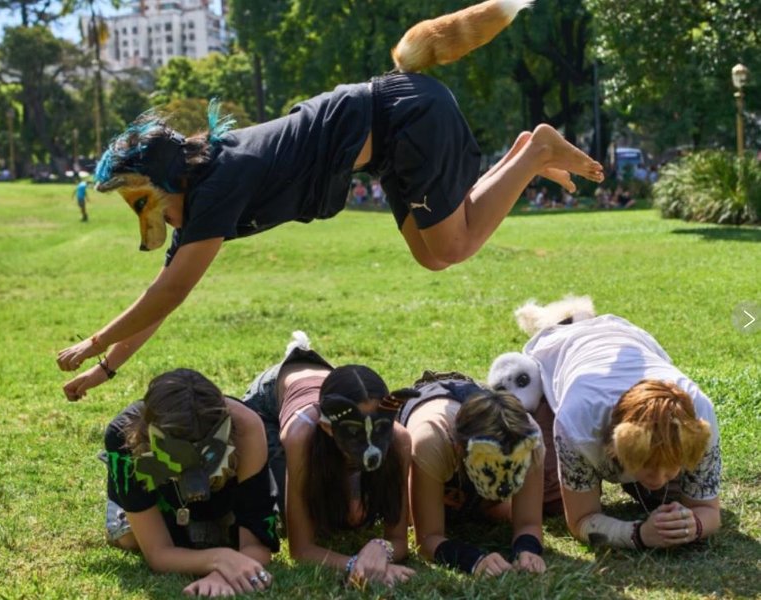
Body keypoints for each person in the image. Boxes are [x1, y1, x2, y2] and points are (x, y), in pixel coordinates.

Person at [55, 0, 603, 397]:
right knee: (435, 254)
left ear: (164, 182)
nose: (145, 216)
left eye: (140, 201)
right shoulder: (202, 196)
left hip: (406, 116)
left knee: (452, 247)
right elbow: (162, 296)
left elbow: (170, 292)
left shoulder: (217, 184)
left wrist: (95, 341)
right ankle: (526, 153)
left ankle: (533, 155)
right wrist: (103, 369)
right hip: (387, 138)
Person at [522, 314, 721, 550]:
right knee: (549, 496)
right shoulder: (577, 421)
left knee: (668, 498)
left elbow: (709, 510)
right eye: (647, 464)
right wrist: (638, 535)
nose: (657, 478)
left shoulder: (699, 421)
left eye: (669, 468)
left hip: (628, 338)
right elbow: (580, 520)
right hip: (560, 351)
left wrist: (692, 525)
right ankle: (569, 319)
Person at [241, 332, 416, 587]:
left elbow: (398, 538)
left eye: (378, 430)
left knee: (351, 513)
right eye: (355, 434)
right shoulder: (300, 435)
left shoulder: (399, 440)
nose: (371, 449)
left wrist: (381, 548)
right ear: (328, 428)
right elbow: (300, 550)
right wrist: (356, 565)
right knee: (285, 506)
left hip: (327, 382)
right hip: (271, 398)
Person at [103, 368, 279, 597]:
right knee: (128, 537)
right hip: (160, 504)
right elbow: (158, 553)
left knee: (221, 537)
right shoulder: (122, 434)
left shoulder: (246, 426)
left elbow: (257, 543)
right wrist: (221, 558)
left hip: (222, 504)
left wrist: (223, 574)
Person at [398, 371, 546, 577]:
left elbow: (529, 523)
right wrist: (472, 560)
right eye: (489, 467)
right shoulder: (431, 439)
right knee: (406, 515)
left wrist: (528, 550)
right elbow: (427, 538)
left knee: (502, 511)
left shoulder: (529, 440)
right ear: (459, 448)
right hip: (436, 439)